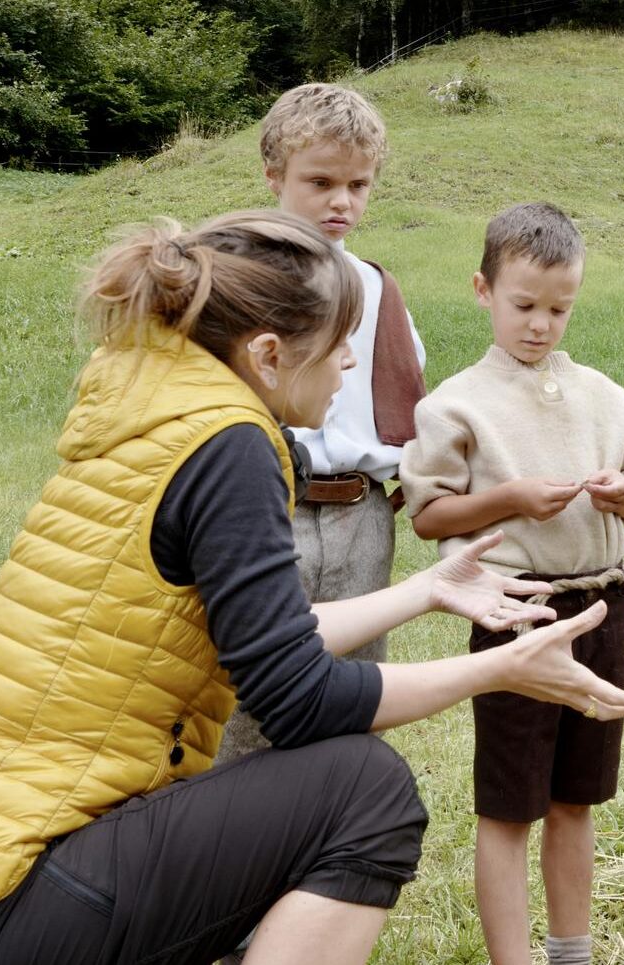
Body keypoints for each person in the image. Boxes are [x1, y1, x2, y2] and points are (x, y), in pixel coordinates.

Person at [0, 209, 624, 965]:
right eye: (338, 342)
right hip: (19, 889)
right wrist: (500, 667)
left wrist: (426, 589)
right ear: (267, 354)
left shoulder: (156, 408)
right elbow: (297, 697)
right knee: (366, 787)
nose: (351, 363)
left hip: (0, 861)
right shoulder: (228, 444)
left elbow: (268, 635)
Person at [400, 201, 624, 965]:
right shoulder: (453, 403)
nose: (541, 324)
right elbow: (428, 516)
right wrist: (511, 499)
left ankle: (570, 952)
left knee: (575, 796)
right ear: (483, 290)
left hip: (603, 603)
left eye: (560, 308)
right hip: (515, 611)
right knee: (510, 802)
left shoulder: (604, 395)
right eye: (524, 305)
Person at [218, 82, 425, 762]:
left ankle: (323, 836)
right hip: (264, 501)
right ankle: (229, 846)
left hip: (360, 514)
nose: (342, 201)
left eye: (358, 184)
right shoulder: (235, 277)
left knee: (346, 691)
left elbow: (404, 389)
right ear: (273, 176)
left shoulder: (373, 285)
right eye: (321, 181)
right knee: (243, 691)